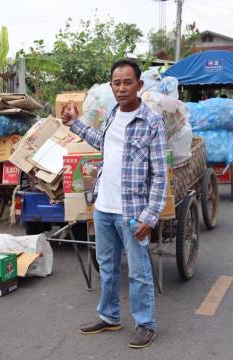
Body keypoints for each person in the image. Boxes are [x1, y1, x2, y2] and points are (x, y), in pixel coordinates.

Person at [62, 59, 168, 349]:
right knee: (107, 267)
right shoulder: (111, 113)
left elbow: (160, 173)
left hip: (133, 212)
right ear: (112, 86)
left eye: (127, 82)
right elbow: (103, 142)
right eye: (116, 83)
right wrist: (75, 125)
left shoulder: (152, 122)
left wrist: (151, 215)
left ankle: (145, 323)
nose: (121, 88)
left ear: (139, 85)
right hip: (104, 207)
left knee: (138, 271)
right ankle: (109, 316)